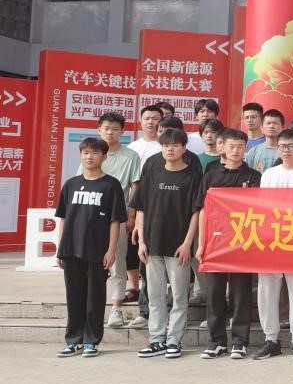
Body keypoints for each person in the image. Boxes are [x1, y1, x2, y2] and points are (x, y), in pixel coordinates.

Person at [132, 129, 202, 359]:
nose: (170, 149)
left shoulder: (192, 176)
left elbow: (196, 212)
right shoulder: (152, 172)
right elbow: (141, 208)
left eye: (175, 145)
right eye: (165, 145)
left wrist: (188, 243)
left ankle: (174, 340)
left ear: (184, 148)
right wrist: (142, 241)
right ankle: (157, 340)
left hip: (179, 247)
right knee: (155, 295)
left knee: (180, 296)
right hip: (152, 244)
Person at [55, 137, 127, 357]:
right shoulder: (71, 184)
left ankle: (91, 340)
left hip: (97, 250)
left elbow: (115, 221)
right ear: (80, 155)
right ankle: (73, 340)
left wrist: (111, 250)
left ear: (104, 157)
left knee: (95, 297)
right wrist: (60, 248)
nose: (89, 157)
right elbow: (64, 218)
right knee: (74, 296)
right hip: (71, 249)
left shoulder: (111, 185)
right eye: (85, 152)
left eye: (95, 153)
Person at [195, 129, 260, 359]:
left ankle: (239, 341)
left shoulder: (254, 176)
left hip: (243, 241)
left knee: (241, 292)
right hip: (216, 241)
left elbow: (260, 210)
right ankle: (216, 341)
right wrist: (201, 243)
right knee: (214, 292)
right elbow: (203, 211)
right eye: (231, 146)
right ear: (222, 146)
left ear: (246, 148)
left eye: (240, 146)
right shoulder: (211, 176)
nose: (235, 150)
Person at [255, 129, 293, 360]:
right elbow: (263, 206)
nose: (286, 150)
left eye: (291, 146)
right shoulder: (269, 175)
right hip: (270, 237)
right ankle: (271, 339)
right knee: (267, 289)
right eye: (282, 146)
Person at [91, 112, 143, 331]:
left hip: (118, 217)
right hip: (92, 218)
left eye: (115, 129)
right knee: (92, 263)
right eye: (106, 128)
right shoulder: (92, 153)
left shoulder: (130, 156)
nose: (110, 133)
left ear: (122, 131)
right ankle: (92, 307)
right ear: (99, 130)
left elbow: (135, 186)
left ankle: (116, 308)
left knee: (117, 262)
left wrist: (131, 215)